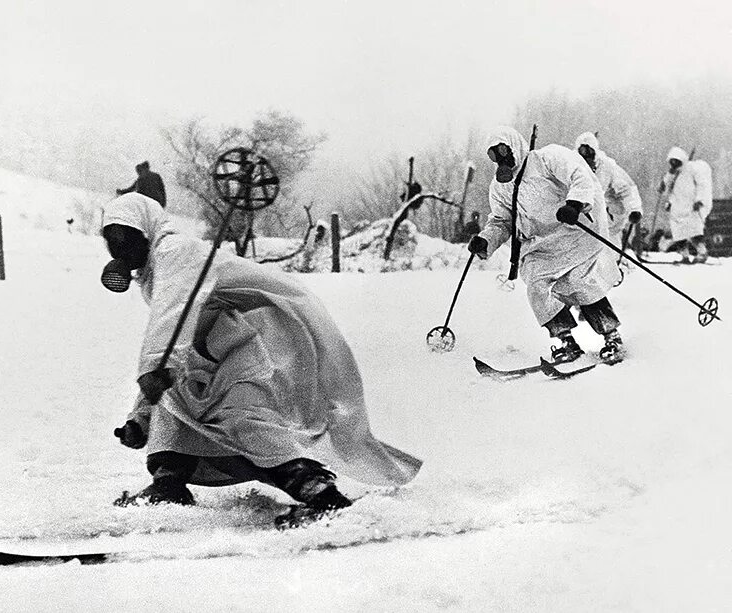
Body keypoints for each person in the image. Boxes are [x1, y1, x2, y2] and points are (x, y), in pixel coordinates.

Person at [101, 193, 422, 527]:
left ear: (147, 230)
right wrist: (141, 415)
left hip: (270, 328)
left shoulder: (175, 251)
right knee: (176, 400)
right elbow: (172, 344)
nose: (120, 249)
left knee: (243, 415)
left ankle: (323, 496)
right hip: (225, 342)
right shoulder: (155, 272)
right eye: (111, 241)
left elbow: (172, 319)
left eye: (126, 237)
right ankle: (168, 483)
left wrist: (155, 368)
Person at [467, 126, 624, 364]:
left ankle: (611, 336)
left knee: (580, 283)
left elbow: (579, 175)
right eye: (494, 155)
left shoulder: (547, 158)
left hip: (573, 235)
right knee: (538, 288)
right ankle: (565, 341)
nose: (502, 158)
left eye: (503, 150)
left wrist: (575, 203)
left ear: (514, 145)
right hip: (540, 246)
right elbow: (501, 221)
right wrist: (486, 239)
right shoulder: (499, 187)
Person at [573, 132, 642, 248]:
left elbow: (626, 188)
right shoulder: (573, 164)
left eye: (590, 154)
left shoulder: (607, 167)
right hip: (584, 215)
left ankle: (616, 262)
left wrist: (634, 209)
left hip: (609, 216)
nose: (587, 159)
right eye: (583, 155)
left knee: (608, 248)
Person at [660, 147, 713, 263]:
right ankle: (684, 256)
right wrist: (669, 201)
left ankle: (702, 253)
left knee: (695, 231)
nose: (674, 163)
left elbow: (701, 184)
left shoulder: (692, 169)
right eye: (672, 161)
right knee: (679, 233)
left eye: (676, 161)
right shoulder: (672, 174)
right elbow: (668, 189)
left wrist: (699, 200)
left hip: (691, 206)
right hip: (677, 207)